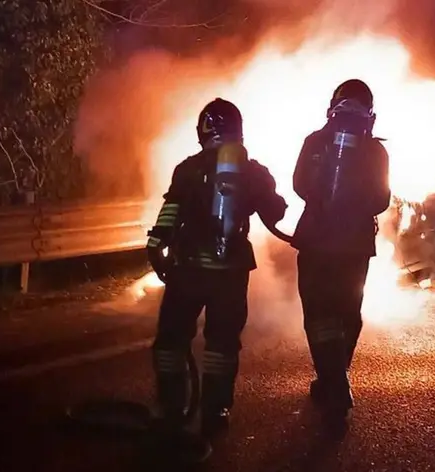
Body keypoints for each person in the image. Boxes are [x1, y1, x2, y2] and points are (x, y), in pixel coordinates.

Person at [145, 98, 287, 458]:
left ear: (202, 131)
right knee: (221, 344)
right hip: (230, 272)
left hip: (187, 270)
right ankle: (215, 409)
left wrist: (156, 243)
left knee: (171, 341)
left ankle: (171, 404)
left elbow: (171, 208)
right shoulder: (252, 171)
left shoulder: (187, 168)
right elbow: (276, 209)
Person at [291, 79, 391, 428]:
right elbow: (382, 199)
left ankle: (333, 381)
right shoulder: (376, 151)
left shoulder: (314, 142)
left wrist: (324, 202)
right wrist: (353, 208)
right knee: (348, 312)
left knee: (319, 314)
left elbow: (299, 184)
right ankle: (337, 377)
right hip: (355, 246)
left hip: (316, 241)